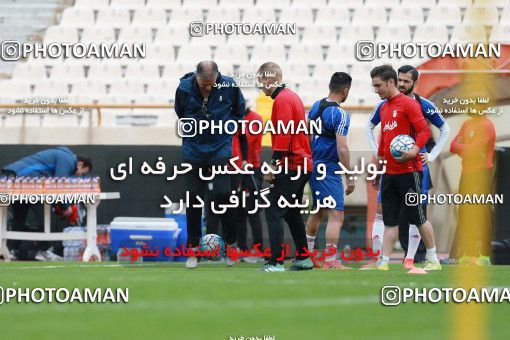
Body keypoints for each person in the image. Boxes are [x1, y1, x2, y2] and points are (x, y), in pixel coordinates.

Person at [363, 65, 451, 269]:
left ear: (389, 82)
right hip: (389, 173)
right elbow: (384, 139)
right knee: (390, 221)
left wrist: (416, 151)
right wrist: (380, 166)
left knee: (419, 217)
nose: (376, 90)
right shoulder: (384, 107)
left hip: (411, 172)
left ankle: (432, 259)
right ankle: (383, 262)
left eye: (378, 86)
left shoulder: (411, 105)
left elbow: (424, 131)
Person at [174, 61, 246, 269]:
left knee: (223, 194)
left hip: (220, 148)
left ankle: (231, 246)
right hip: (193, 150)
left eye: (211, 84)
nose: (208, 87)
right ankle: (194, 250)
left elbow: (239, 112)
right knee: (194, 198)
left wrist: (226, 129)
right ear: (196, 77)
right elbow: (180, 113)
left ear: (217, 77)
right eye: (204, 83)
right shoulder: (184, 88)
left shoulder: (229, 86)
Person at [257, 61, 313, 272]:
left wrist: (273, 165)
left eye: (261, 80)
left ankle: (276, 262)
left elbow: (284, 135)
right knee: (291, 213)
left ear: (269, 79)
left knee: (273, 211)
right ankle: (304, 258)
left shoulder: (281, 100)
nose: (260, 86)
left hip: (292, 164)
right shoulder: (292, 97)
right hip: (302, 164)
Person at [2, 146, 92, 261]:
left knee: (19, 217)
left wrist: (57, 205)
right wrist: (66, 207)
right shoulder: (68, 159)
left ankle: (12, 250)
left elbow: (52, 185)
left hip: (15, 178)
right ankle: (43, 250)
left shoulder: (61, 156)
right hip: (30, 180)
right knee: (44, 215)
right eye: (82, 173)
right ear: (80, 164)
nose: (79, 176)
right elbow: (59, 183)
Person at [305, 72, 355, 270]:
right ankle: (331, 260)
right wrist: (349, 176)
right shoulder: (340, 114)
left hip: (313, 165)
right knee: (336, 215)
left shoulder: (316, 106)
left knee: (317, 211)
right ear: (346, 90)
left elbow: (307, 136)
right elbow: (342, 148)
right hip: (328, 167)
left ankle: (306, 256)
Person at [450, 108, 495, 264]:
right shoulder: (466, 124)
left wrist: (462, 149)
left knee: (482, 213)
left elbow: (475, 151)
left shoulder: (486, 125)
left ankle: (485, 256)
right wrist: (466, 150)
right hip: (466, 173)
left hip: (481, 173)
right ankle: (470, 254)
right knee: (465, 213)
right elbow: (452, 146)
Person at [236, 106, 265, 264]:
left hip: (251, 170)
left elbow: (245, 140)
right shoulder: (234, 119)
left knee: (252, 212)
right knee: (238, 213)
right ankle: (242, 249)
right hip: (236, 170)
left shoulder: (255, 119)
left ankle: (258, 250)